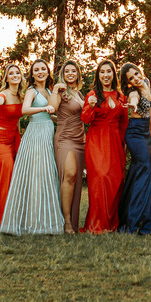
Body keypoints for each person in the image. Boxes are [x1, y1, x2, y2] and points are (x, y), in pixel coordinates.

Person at [1, 59, 66, 235]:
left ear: (48, 72)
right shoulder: (31, 90)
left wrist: (59, 119)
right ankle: (30, 221)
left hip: (47, 131)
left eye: (43, 69)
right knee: (35, 173)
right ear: (32, 74)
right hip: (35, 133)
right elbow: (25, 110)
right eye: (36, 70)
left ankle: (45, 220)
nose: (40, 72)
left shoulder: (48, 90)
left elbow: (50, 115)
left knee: (46, 173)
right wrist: (45, 108)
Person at [81, 59, 127, 234]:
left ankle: (111, 223)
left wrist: (124, 144)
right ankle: (96, 224)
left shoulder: (120, 96)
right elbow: (85, 119)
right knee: (100, 178)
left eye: (109, 72)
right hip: (96, 140)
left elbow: (124, 122)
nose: (106, 75)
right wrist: (91, 106)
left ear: (113, 75)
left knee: (114, 180)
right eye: (102, 72)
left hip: (115, 141)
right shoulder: (92, 95)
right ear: (98, 75)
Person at [118, 63, 151, 235]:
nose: (136, 78)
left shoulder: (146, 82)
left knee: (143, 172)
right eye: (131, 78)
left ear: (140, 71)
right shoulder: (133, 93)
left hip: (145, 132)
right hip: (135, 134)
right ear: (128, 82)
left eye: (136, 74)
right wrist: (133, 105)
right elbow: (134, 103)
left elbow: (150, 110)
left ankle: (143, 215)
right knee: (145, 169)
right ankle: (135, 219)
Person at [0, 64, 26, 232]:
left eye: (17, 72)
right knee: (6, 167)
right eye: (11, 73)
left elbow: (19, 118)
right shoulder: (4, 94)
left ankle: (13, 218)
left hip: (13, 138)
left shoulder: (22, 96)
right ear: (7, 78)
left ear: (21, 77)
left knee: (16, 174)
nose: (15, 75)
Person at [52, 60, 87, 234]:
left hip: (80, 140)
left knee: (75, 180)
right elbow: (52, 108)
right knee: (69, 175)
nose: (71, 73)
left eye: (74, 71)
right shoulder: (61, 91)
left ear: (78, 74)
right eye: (67, 71)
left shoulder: (79, 94)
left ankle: (72, 221)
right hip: (65, 138)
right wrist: (54, 91)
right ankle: (65, 221)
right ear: (63, 74)